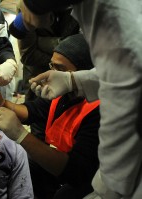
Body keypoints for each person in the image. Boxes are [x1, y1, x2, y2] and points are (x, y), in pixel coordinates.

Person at [24, 0, 142, 198]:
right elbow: (116, 70)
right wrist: (75, 81)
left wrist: (108, 189)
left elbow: (126, 85)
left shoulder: (107, 8)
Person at [0, 34, 100, 199]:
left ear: (83, 74)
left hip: (85, 180)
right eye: (52, 66)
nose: (52, 74)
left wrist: (21, 135)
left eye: (60, 69)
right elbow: (32, 110)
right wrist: (1, 102)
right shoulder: (63, 94)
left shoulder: (98, 110)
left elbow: (76, 171)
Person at [8, 2, 79, 139]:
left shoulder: (83, 7)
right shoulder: (27, 8)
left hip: (76, 86)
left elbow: (84, 47)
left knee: (73, 135)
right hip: (40, 85)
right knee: (40, 132)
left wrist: (44, 43)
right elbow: (28, 55)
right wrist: (65, 44)